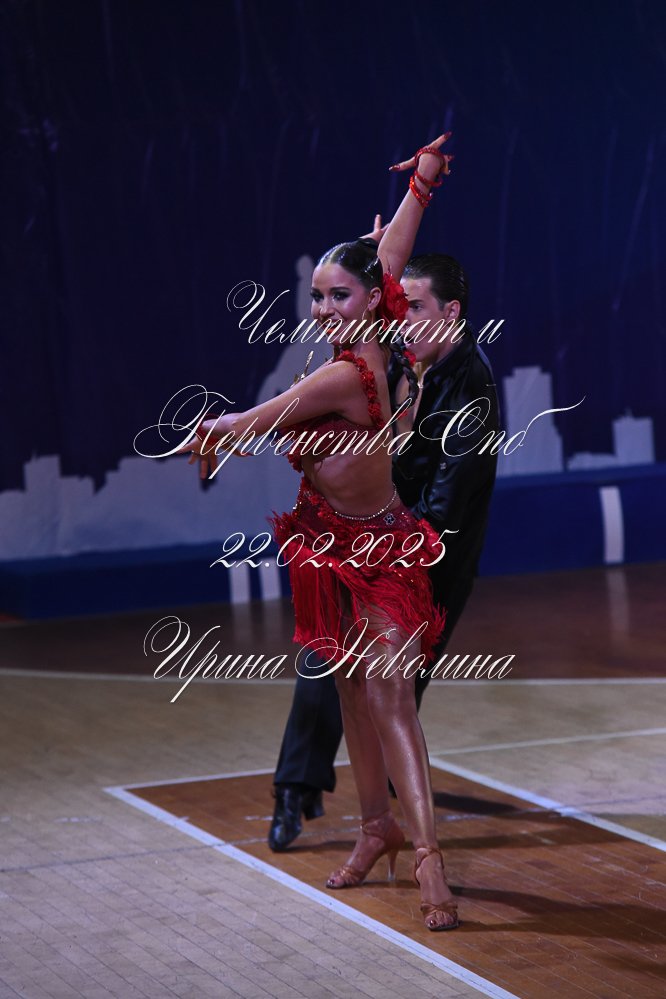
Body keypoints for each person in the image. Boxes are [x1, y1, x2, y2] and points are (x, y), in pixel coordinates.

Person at [183, 134, 459, 931]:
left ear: (370, 300)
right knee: (350, 692)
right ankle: (375, 828)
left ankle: (428, 855)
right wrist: (423, 184)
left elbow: (254, 419)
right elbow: (389, 255)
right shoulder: (378, 329)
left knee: (390, 698)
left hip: (379, 548)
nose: (324, 308)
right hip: (325, 543)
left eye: (338, 296)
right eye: (316, 295)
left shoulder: (343, 373)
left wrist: (212, 430)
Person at [269, 253, 499, 851]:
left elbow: (446, 504)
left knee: (393, 690)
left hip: (432, 555)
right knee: (327, 662)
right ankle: (296, 788)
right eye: (403, 306)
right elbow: (361, 301)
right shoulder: (393, 355)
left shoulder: (471, 385)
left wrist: (386, 546)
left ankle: (401, 820)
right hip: (373, 540)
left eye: (417, 307)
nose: (404, 319)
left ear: (451, 312)